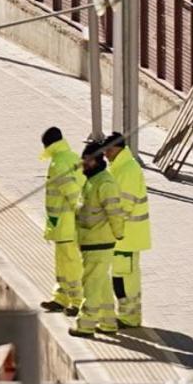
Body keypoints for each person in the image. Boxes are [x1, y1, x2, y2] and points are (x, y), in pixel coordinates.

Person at [72, 140, 126, 339]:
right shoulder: (93, 180)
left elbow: (115, 212)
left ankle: (85, 324)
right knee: (101, 283)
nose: (83, 165)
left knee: (91, 284)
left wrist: (118, 233)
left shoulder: (104, 183)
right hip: (91, 241)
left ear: (96, 161)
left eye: (86, 161)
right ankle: (108, 322)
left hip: (99, 242)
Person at [103, 132, 151, 328]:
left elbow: (123, 206)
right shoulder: (120, 167)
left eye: (108, 150)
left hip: (127, 236)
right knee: (120, 277)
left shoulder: (127, 170)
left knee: (125, 279)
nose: (105, 154)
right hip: (123, 236)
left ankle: (130, 317)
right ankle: (126, 315)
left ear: (118, 148)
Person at [37, 127, 84, 316]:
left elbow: (72, 191)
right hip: (64, 223)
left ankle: (78, 301)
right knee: (63, 264)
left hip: (65, 224)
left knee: (70, 264)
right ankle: (61, 298)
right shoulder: (71, 156)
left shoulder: (58, 163)